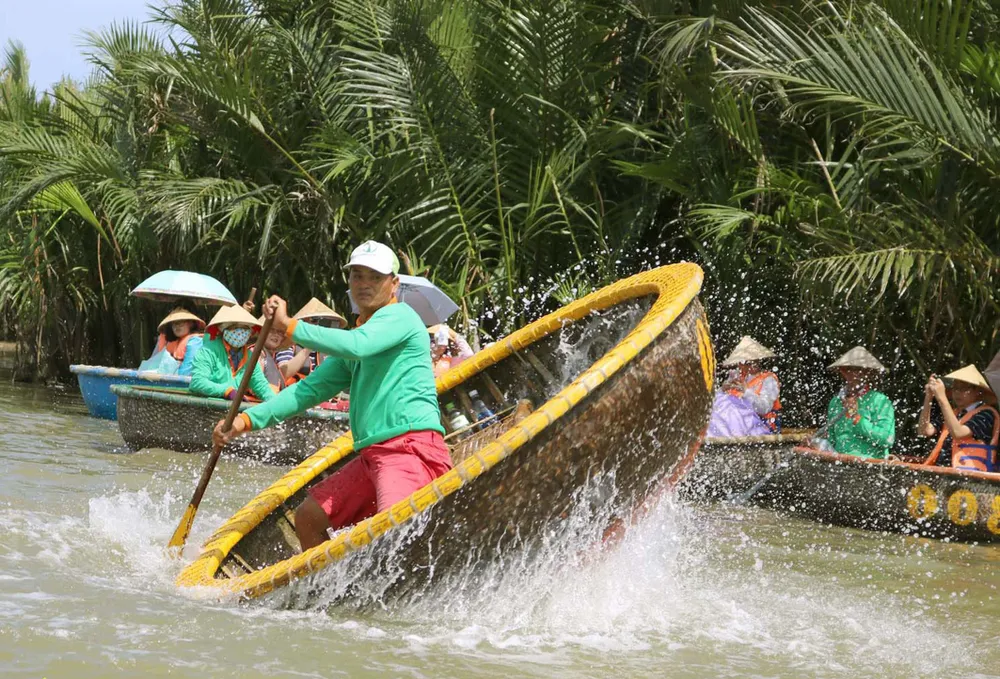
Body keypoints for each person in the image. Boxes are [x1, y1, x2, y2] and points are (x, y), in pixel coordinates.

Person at [212, 240, 452, 550]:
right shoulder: (361, 335)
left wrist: (288, 326)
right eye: (357, 276)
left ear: (393, 284)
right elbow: (308, 391)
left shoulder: (402, 318)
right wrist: (244, 421)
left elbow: (357, 345)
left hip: (408, 449)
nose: (364, 284)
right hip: (373, 455)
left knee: (393, 536)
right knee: (308, 518)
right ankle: (329, 592)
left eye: (374, 277)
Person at [918, 365, 999, 472]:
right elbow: (924, 431)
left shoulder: (986, 414)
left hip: (970, 475)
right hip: (944, 471)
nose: (957, 392)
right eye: (955, 388)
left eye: (964, 388)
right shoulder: (952, 413)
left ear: (978, 392)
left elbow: (958, 433)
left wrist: (942, 398)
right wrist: (928, 397)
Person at [189, 305, 276, 403]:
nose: (240, 333)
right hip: (205, 408)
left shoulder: (249, 357)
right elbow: (197, 382)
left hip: (233, 411)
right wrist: (226, 391)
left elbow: (261, 386)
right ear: (224, 329)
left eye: (244, 328)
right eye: (235, 328)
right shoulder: (209, 351)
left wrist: (276, 403)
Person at [823, 346, 895, 459]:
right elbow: (832, 441)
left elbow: (887, 439)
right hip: (839, 466)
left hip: (870, 467)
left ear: (869, 373)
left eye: (859, 370)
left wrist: (856, 417)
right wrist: (815, 444)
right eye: (848, 369)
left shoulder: (880, 401)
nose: (854, 374)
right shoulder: (835, 402)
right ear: (842, 371)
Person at [275, 298, 348, 383]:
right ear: (302, 321)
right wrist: (309, 345)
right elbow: (283, 374)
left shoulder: (332, 350)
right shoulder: (289, 344)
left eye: (328, 322)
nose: (319, 325)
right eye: (314, 320)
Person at [719, 336, 782, 433]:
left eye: (755, 360)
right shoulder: (736, 378)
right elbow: (720, 406)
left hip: (762, 428)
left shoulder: (769, 380)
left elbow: (764, 408)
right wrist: (722, 390)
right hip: (734, 428)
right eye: (747, 362)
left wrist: (746, 392)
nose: (753, 364)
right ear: (740, 364)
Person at [139, 307, 205, 375]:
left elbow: (186, 372)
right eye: (174, 323)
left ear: (191, 324)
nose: (177, 326)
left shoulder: (195, 342)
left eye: (181, 322)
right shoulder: (172, 341)